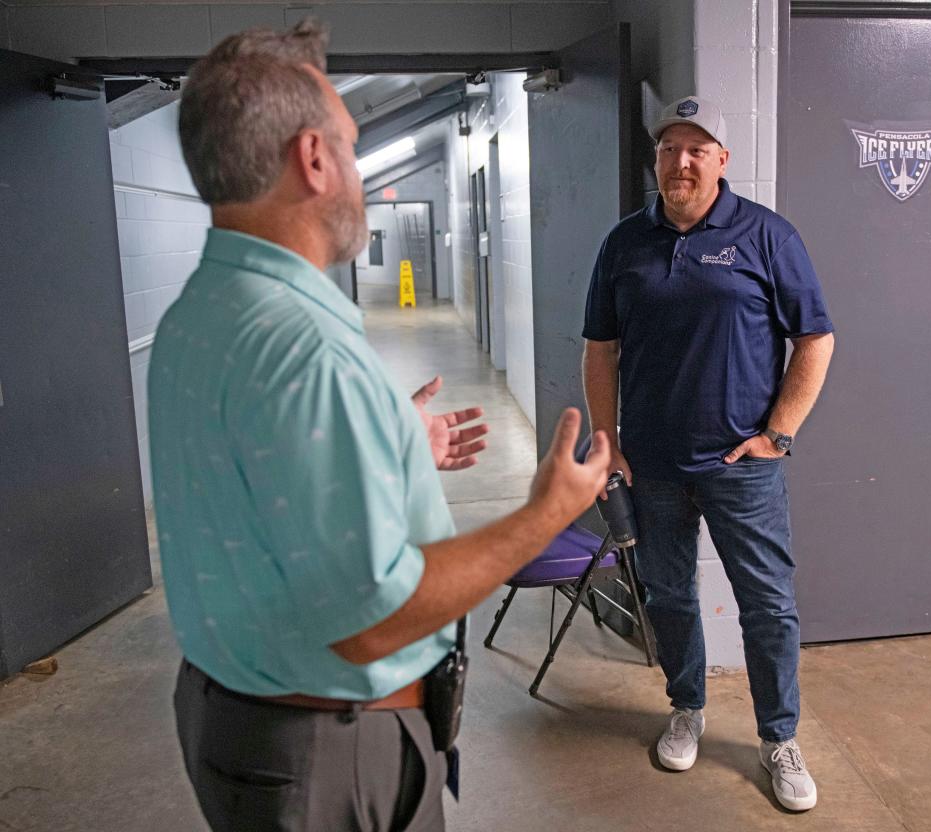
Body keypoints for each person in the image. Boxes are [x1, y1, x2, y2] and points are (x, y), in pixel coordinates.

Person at [149, 20, 612, 832]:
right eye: (351, 146)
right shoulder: (306, 348)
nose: (357, 171)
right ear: (314, 158)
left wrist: (388, 450)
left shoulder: (201, 312)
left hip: (241, 725)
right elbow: (372, 622)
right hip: (327, 759)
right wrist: (546, 514)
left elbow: (256, 489)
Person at [581, 95, 835, 812]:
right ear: (656, 161)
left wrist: (778, 433)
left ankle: (778, 737)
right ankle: (686, 707)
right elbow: (600, 349)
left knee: (767, 606)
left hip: (741, 469)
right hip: (652, 466)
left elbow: (815, 337)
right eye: (669, 150)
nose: (680, 162)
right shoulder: (624, 243)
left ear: (723, 160)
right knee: (668, 597)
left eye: (697, 149)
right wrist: (610, 443)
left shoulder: (767, 236)